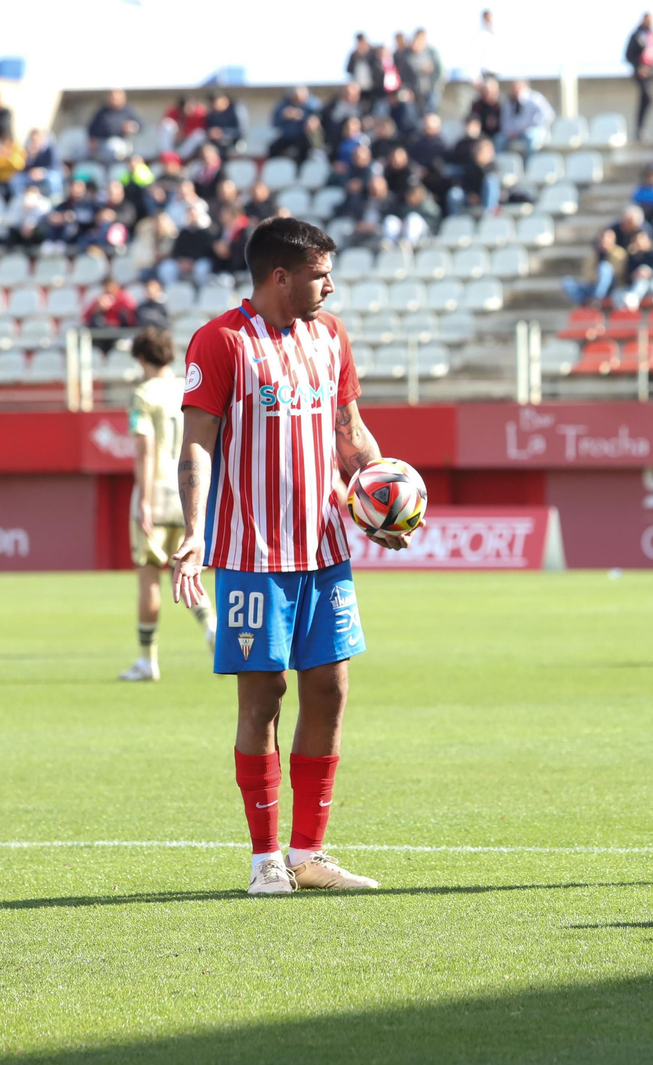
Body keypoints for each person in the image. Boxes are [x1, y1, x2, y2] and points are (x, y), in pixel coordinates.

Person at [171, 217, 413, 896]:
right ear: (281, 276)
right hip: (253, 553)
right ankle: (265, 860)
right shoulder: (222, 341)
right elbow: (197, 443)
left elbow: (350, 431)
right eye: (319, 275)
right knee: (265, 696)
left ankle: (309, 854)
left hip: (326, 547)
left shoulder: (330, 337)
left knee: (330, 689)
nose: (329, 286)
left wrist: (380, 499)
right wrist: (194, 529)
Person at [117, 328, 215, 683]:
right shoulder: (186, 388)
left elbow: (145, 450)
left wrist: (144, 502)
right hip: (190, 492)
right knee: (188, 568)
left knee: (149, 577)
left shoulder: (143, 394)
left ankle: (147, 661)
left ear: (141, 358)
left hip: (157, 493)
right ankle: (212, 626)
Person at [498, 79, 554, 159]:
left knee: (531, 138)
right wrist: (510, 132)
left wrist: (531, 125)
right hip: (515, 133)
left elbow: (549, 115)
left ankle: (528, 164)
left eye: (517, 87)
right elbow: (505, 121)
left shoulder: (536, 98)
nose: (514, 90)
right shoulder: (509, 102)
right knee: (499, 139)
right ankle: (499, 163)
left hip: (534, 131)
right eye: (513, 87)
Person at [626, 13, 653, 143]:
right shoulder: (636, 36)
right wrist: (639, 67)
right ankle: (639, 130)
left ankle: (641, 129)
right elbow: (628, 55)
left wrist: (652, 71)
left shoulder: (652, 37)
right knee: (647, 96)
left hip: (650, 73)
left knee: (649, 98)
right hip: (640, 73)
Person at [88, 89, 142, 163]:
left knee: (114, 146)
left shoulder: (127, 111)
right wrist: (92, 139)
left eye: (115, 98)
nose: (113, 99)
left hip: (122, 143)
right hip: (102, 143)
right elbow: (91, 128)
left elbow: (140, 125)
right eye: (111, 97)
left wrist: (131, 127)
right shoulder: (102, 111)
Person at [269, 86, 321, 163]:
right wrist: (284, 116)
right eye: (295, 98)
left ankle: (300, 168)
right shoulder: (284, 105)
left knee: (302, 149)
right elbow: (275, 123)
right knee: (273, 148)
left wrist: (302, 117)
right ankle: (276, 168)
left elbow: (319, 120)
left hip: (305, 137)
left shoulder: (313, 105)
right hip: (287, 136)